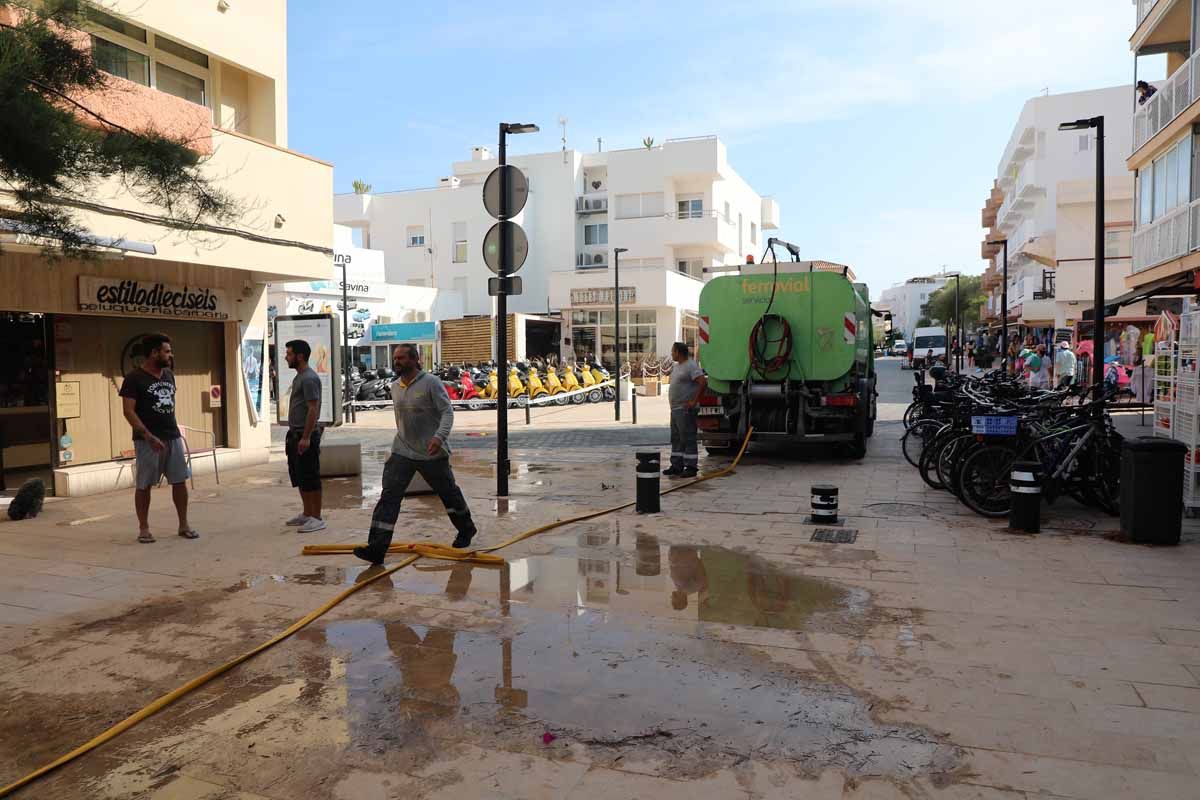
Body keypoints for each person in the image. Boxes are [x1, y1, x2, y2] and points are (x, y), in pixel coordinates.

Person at [354, 343, 477, 565]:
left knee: (448, 494)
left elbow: (447, 412)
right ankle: (377, 548)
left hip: (432, 452)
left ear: (414, 359)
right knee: (389, 498)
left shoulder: (431, 383)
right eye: (395, 358)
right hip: (401, 451)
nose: (396, 361)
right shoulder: (394, 386)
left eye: (401, 358)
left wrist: (439, 437)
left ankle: (466, 529)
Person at [119, 333, 197, 543]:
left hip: (172, 436)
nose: (170, 355)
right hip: (147, 441)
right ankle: (144, 528)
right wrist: (147, 435)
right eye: (167, 351)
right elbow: (128, 411)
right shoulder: (134, 378)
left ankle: (184, 525)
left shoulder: (168, 375)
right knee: (144, 484)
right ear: (154, 352)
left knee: (180, 481)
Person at [284, 339, 325, 533]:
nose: (286, 357)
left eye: (289, 354)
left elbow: (312, 409)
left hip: (304, 435)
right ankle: (307, 513)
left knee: (311, 477)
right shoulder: (299, 377)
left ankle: (317, 518)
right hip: (295, 434)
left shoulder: (309, 378)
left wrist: (307, 437)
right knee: (300, 476)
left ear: (299, 356)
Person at [664, 341, 707, 479]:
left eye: (673, 351)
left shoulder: (691, 365)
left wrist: (694, 401)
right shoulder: (677, 367)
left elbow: (702, 382)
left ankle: (691, 467)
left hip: (685, 409)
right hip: (675, 409)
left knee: (688, 437)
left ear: (678, 352)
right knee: (676, 438)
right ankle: (676, 466)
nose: (671, 354)